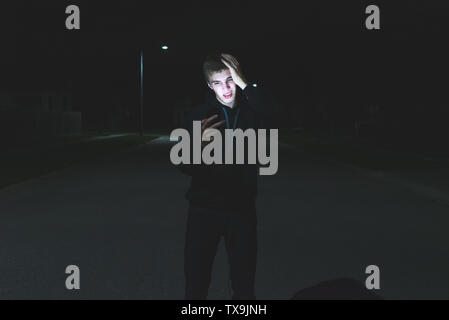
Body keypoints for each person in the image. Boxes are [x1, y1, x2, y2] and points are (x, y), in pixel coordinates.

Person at [179, 52, 279, 300]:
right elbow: (184, 166)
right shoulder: (198, 115)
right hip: (204, 209)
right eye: (217, 83)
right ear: (209, 85)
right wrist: (197, 146)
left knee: (244, 285)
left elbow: (277, 115)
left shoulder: (252, 112)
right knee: (196, 283)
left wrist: (245, 84)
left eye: (229, 80)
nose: (225, 88)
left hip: (241, 209)